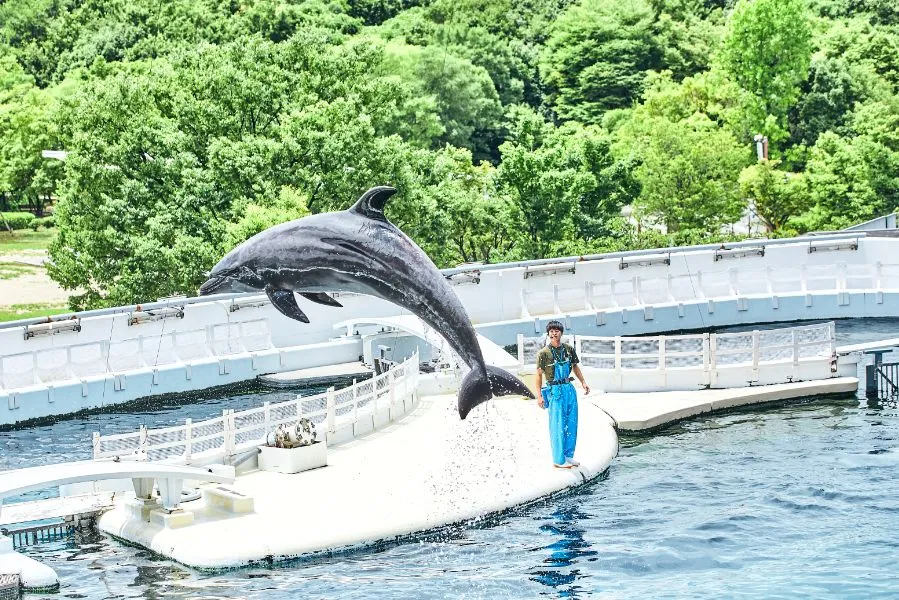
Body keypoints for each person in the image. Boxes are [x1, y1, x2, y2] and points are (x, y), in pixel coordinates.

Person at [536, 320, 590, 469]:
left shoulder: (568, 349)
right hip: (555, 391)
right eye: (551, 331)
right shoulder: (543, 353)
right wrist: (539, 396)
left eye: (557, 331)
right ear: (548, 334)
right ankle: (558, 460)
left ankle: (568, 455)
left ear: (561, 333)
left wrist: (583, 382)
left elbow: (575, 367)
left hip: (568, 388)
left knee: (571, 423)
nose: (554, 333)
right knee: (558, 424)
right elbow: (538, 375)